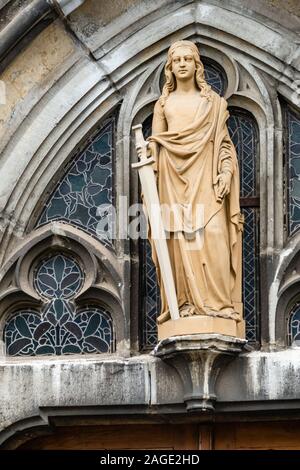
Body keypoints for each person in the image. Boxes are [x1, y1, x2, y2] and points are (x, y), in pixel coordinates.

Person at [146, 40, 243, 324]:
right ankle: (185, 305)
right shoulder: (163, 105)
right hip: (172, 180)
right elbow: (156, 144)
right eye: (177, 61)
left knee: (213, 236)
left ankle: (220, 307)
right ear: (170, 68)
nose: (183, 64)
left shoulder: (213, 104)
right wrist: (148, 158)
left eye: (189, 59)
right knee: (180, 242)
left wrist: (225, 173)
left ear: (197, 65)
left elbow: (224, 146)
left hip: (207, 180)